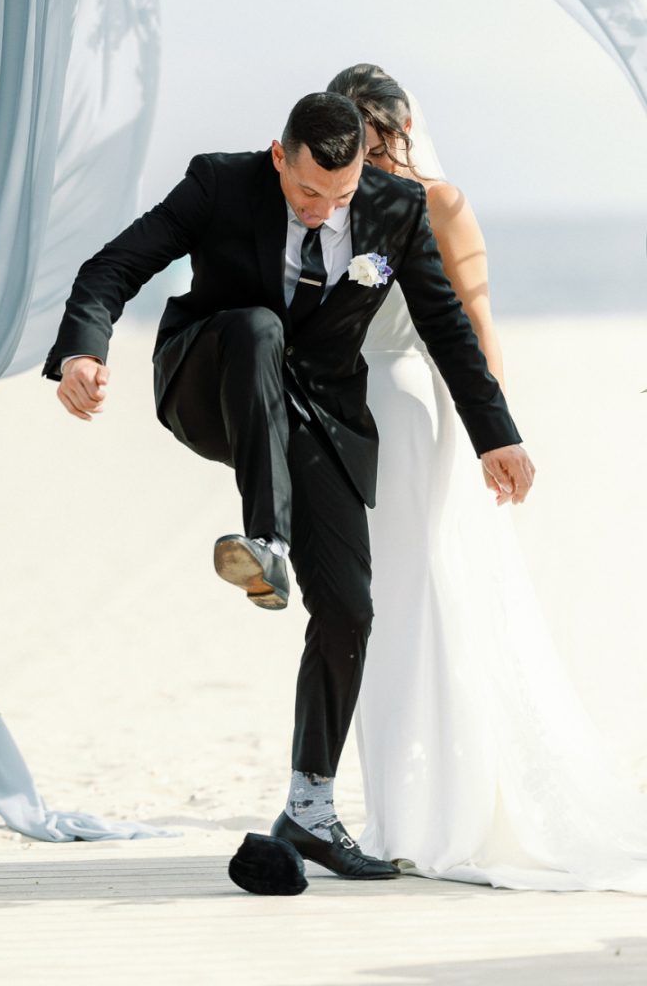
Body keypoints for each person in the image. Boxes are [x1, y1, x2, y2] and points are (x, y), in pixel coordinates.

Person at [45, 92, 535, 881]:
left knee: (348, 606)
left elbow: (444, 322)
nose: (321, 212)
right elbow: (115, 266)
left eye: (338, 199)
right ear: (280, 155)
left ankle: (309, 808)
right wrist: (81, 352)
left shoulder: (395, 210)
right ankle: (264, 540)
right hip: (216, 376)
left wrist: (497, 434)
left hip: (318, 412)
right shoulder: (221, 184)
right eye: (308, 192)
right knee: (258, 327)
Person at [331, 64, 647, 891]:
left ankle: (425, 814)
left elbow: (475, 323)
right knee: (373, 606)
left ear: (402, 131)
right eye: (361, 143)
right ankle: (395, 810)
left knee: (413, 598)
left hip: (411, 408)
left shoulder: (440, 202)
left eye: (383, 140)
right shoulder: (327, 203)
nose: (375, 157)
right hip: (339, 414)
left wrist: (493, 436)